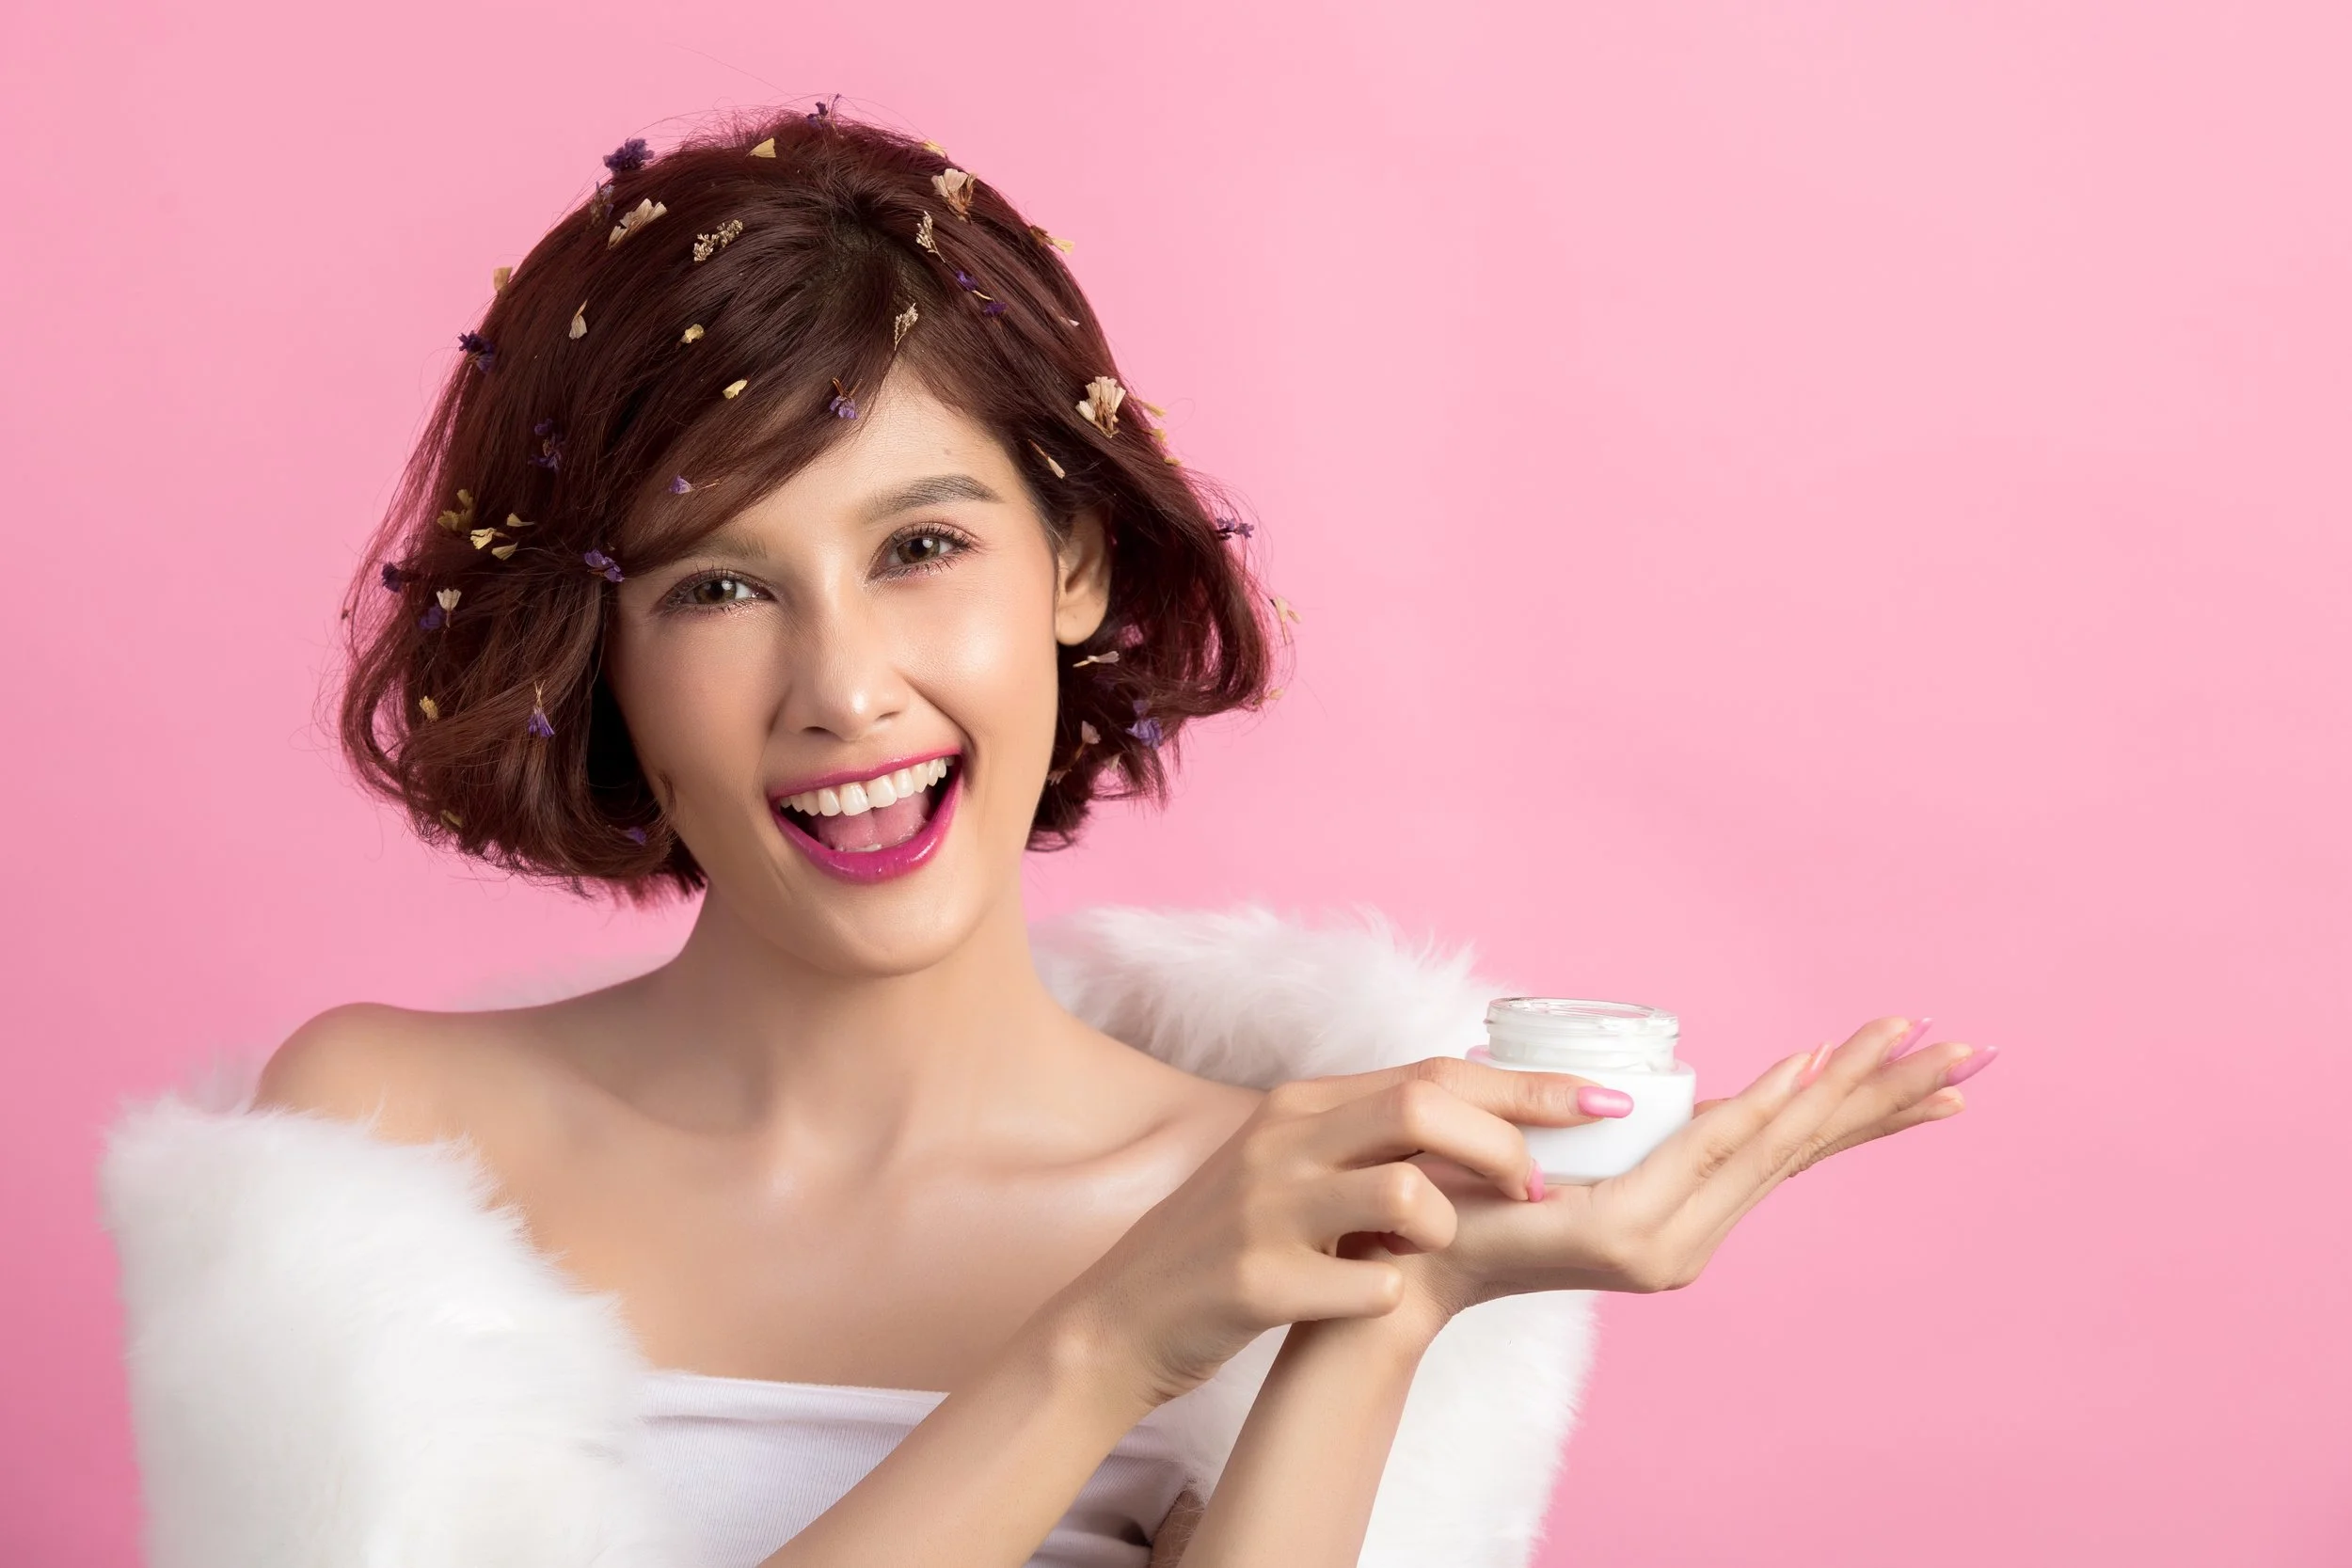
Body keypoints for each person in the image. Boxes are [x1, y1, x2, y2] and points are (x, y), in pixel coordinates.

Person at [98, 102, 1993, 1568]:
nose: (844, 688)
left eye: (920, 545)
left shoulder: (1260, 1194)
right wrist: (1108, 1340)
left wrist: (1397, 1303)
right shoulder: (377, 1160)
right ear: (604, 659)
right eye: (714, 586)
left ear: (1073, 561)